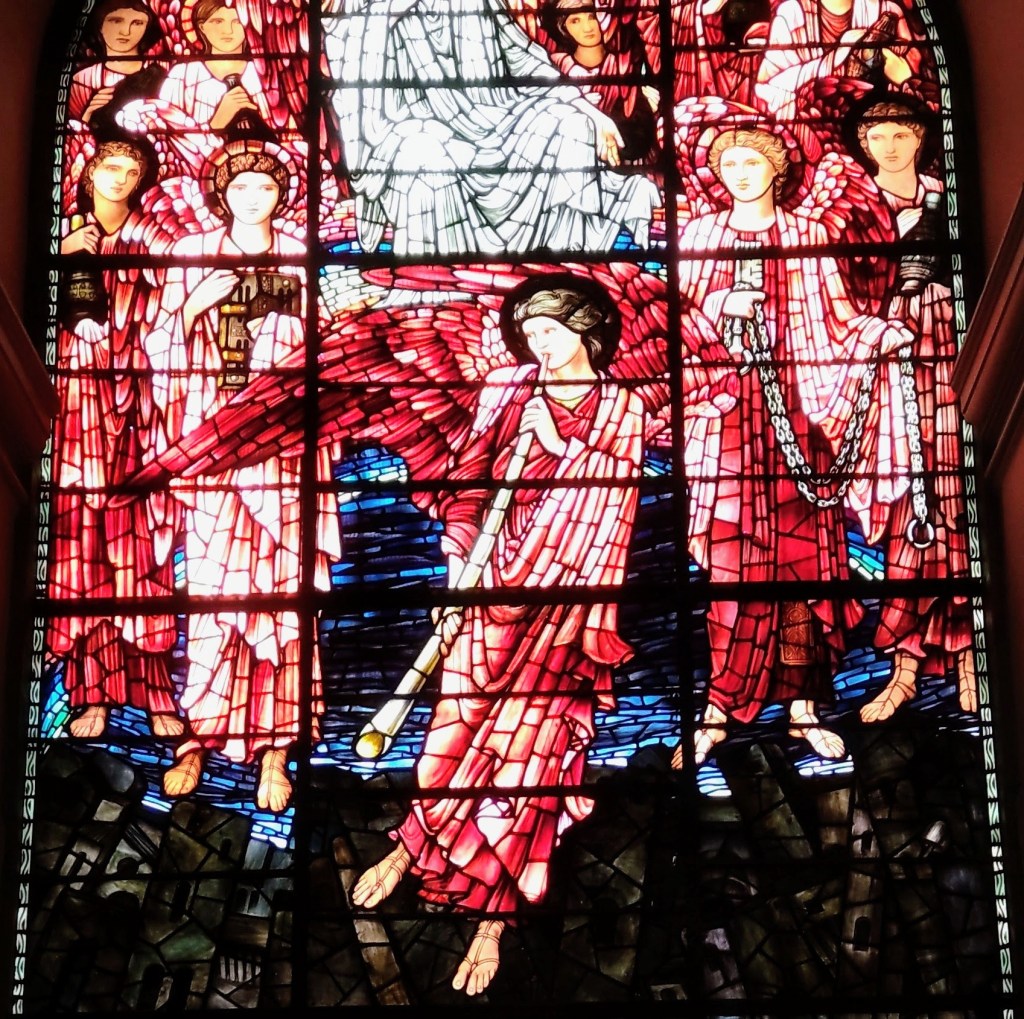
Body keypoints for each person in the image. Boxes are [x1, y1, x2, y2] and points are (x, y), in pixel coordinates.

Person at [349, 279, 644, 995]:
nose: (539, 345)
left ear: (586, 331)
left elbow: (616, 502)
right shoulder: (509, 389)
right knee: (450, 734)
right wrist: (458, 570)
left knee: (529, 758)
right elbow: (469, 482)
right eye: (530, 334)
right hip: (488, 584)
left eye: (551, 332)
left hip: (564, 605)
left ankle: (493, 920)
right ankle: (413, 843)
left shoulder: (624, 407)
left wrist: (561, 448)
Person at [674, 125, 913, 765]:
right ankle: (718, 708)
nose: (740, 173)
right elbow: (680, 329)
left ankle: (804, 707)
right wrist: (719, 307)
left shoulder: (807, 235)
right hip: (724, 421)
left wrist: (878, 336)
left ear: (776, 171)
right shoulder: (697, 237)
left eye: (752, 162)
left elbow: (839, 321)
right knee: (731, 565)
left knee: (803, 567)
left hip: (799, 425)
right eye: (729, 164)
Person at [143, 142, 340, 812]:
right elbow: (157, 350)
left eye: (266, 187)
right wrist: (190, 307)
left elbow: (329, 355)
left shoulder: (302, 256)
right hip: (214, 448)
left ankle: (277, 748)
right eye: (241, 187)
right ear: (220, 194)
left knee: (284, 602)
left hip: (283, 452)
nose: (253, 198)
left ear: (282, 196)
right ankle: (199, 733)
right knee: (214, 596)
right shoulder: (192, 254)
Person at [328, 0, 661, 256]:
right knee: (422, 153)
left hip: (500, 117)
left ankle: (568, 256)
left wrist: (588, 110)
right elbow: (350, 59)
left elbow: (525, 59)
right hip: (419, 125)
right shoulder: (376, 10)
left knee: (570, 123)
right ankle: (437, 277)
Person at [49, 139, 182, 741]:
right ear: (90, 171)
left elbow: (176, 305)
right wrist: (61, 256)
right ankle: (92, 694)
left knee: (142, 552)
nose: (121, 178)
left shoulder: (154, 238)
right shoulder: (64, 239)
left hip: (142, 407)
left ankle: (157, 695)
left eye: (132, 170)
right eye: (111, 167)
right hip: (80, 409)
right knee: (84, 548)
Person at [852, 100, 976, 721]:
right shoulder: (852, 206)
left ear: (921, 138)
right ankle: (904, 668)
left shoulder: (947, 197)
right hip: (885, 362)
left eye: (901, 133)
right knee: (908, 505)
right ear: (864, 143)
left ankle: (969, 660)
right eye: (878, 136)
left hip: (949, 350)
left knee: (957, 502)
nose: (891, 145)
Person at [755, 0, 918, 119]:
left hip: (877, 124)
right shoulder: (792, 15)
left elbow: (913, 77)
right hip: (812, 127)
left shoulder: (887, 10)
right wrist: (835, 57)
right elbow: (768, 86)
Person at [542, 0, 658, 163]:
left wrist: (650, 110)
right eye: (575, 20)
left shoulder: (625, 66)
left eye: (592, 17)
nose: (587, 28)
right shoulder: (556, 65)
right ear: (563, 27)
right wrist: (574, 108)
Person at [68, 0, 165, 133]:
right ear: (100, 26)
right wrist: (88, 114)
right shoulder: (82, 79)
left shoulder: (162, 75)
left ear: (146, 27)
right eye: (116, 21)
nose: (125, 32)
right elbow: (73, 133)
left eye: (137, 23)